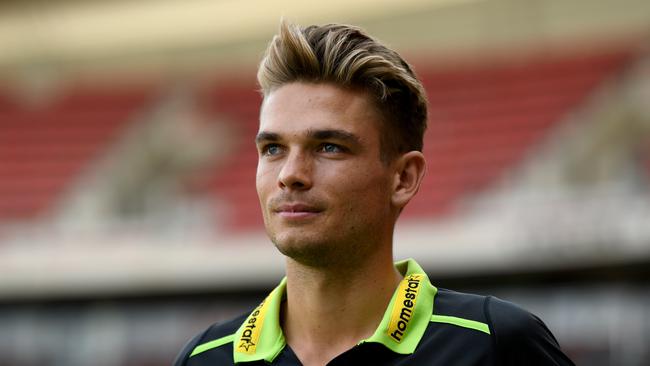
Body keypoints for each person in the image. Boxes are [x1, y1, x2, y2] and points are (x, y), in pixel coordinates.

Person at [173, 21, 575, 366]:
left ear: (403, 178)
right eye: (273, 148)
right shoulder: (206, 357)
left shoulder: (494, 343)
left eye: (330, 146)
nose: (291, 175)